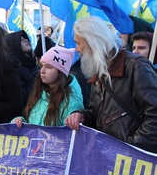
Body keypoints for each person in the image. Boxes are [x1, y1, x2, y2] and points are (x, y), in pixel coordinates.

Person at [65, 16, 157, 153]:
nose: (77, 49)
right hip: (110, 157)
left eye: (78, 43)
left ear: (92, 42)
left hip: (131, 159)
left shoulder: (136, 66)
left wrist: (131, 147)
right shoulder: (99, 71)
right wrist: (82, 115)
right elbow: (98, 113)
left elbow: (154, 114)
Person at [12, 46, 84, 128]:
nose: (42, 71)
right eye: (42, 65)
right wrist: (20, 121)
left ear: (61, 72)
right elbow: (32, 124)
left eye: (49, 67)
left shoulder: (71, 101)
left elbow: (67, 136)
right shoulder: (40, 91)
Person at [5, 30, 40, 107]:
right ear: (14, 45)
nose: (26, 40)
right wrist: (40, 80)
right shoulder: (13, 68)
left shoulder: (33, 64)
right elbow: (22, 97)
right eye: (20, 40)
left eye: (25, 38)